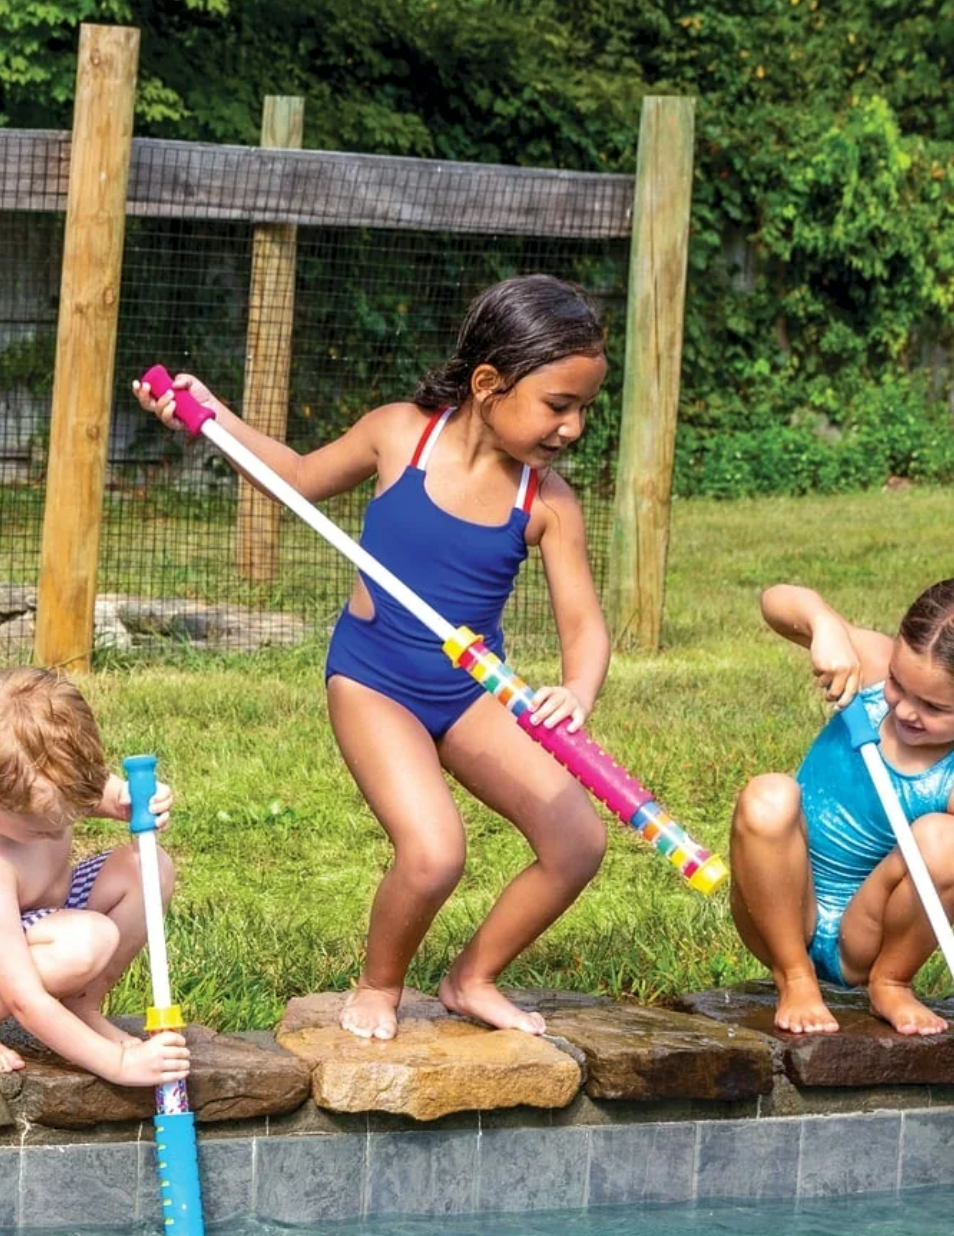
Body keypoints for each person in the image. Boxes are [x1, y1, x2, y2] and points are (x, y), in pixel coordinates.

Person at [134, 273, 610, 1041]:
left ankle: (472, 976)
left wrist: (578, 689)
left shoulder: (547, 502)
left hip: (469, 690)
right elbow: (294, 477)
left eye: (585, 407)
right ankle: (379, 985)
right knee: (433, 853)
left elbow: (584, 626)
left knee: (577, 843)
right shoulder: (399, 434)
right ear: (488, 383)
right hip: (374, 680)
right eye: (560, 404)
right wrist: (211, 417)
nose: (574, 427)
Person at [730, 581, 954, 1037]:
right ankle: (795, 976)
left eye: (933, 707)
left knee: (946, 842)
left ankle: (891, 982)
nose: (906, 711)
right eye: (899, 684)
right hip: (783, 907)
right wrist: (823, 625)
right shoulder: (869, 665)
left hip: (866, 934)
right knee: (768, 795)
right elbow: (775, 601)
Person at [0, 667, 190, 1082]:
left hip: (49, 913)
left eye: (68, 816)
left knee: (150, 866)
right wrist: (118, 1065)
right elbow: (23, 997)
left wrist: (131, 799)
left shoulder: (44, 781)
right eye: (39, 827)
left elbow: (98, 793)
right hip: (11, 952)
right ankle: (74, 1032)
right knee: (86, 941)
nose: (55, 831)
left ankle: (81, 1008)